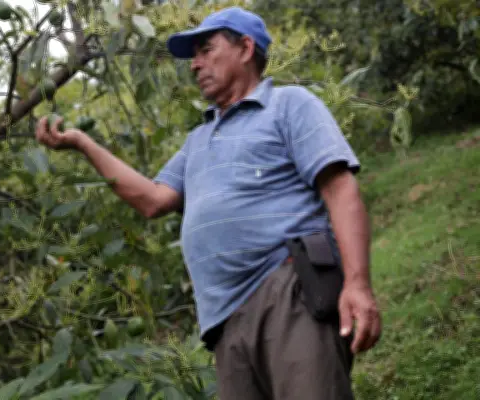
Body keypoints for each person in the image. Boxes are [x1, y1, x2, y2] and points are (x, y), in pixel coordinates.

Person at [34, 6, 382, 400]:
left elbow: (340, 189)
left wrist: (357, 284)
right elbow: (152, 199)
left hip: (288, 289)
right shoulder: (198, 140)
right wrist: (84, 143)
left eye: (205, 50)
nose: (194, 64)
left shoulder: (289, 105)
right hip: (224, 316)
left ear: (246, 48)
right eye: (193, 56)